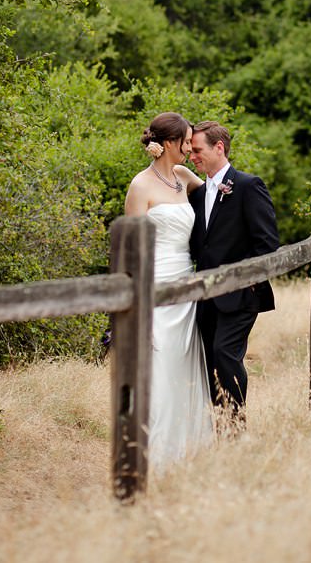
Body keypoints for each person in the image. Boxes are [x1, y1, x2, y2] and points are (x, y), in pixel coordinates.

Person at [123, 112, 213, 467]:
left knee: (183, 367)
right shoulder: (140, 186)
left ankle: (191, 454)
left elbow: (213, 199)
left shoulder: (182, 177)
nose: (191, 147)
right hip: (155, 288)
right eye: (187, 141)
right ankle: (152, 457)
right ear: (170, 143)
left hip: (185, 286)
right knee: (159, 368)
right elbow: (131, 248)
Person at [187, 120, 277, 425]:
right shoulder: (198, 195)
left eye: (197, 150)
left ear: (219, 147)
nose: (192, 156)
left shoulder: (249, 186)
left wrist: (247, 282)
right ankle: (220, 422)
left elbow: (267, 242)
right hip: (205, 295)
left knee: (226, 353)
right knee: (211, 360)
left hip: (240, 295)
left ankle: (236, 424)